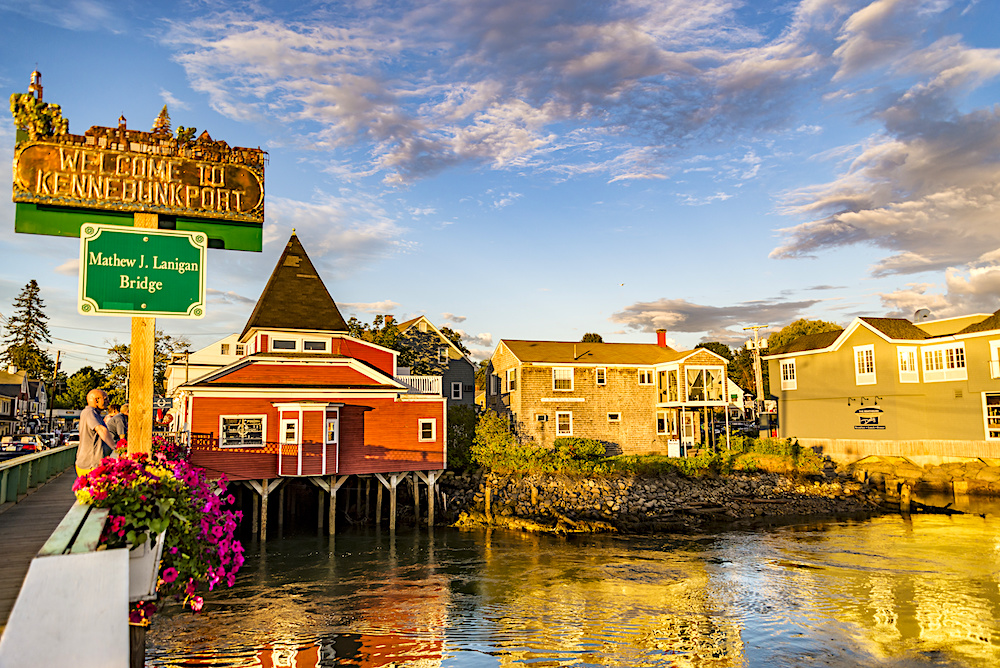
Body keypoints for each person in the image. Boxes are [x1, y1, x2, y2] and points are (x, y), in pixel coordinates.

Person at [75, 388, 117, 477]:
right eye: (105, 399)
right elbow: (101, 429)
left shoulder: (95, 413)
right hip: (90, 464)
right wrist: (114, 447)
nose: (108, 402)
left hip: (93, 463)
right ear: (96, 400)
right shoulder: (89, 412)